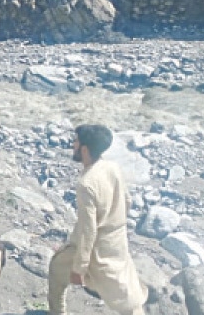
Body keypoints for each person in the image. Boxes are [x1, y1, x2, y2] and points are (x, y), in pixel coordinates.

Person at [47, 124, 148, 315]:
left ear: (84, 149)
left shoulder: (86, 184)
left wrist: (80, 267)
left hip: (95, 248)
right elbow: (127, 200)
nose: (72, 145)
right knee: (126, 292)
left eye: (75, 141)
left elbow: (88, 230)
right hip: (116, 240)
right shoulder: (112, 167)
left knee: (56, 269)